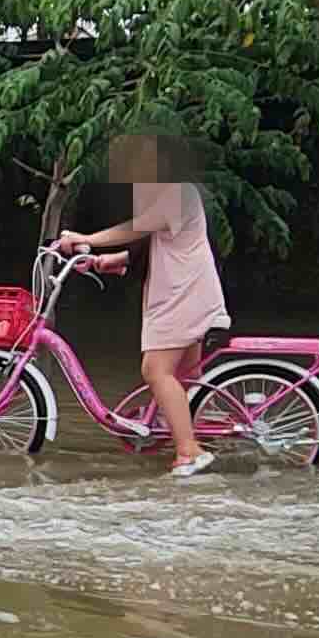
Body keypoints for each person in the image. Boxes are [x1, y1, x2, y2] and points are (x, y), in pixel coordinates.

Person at [57, 133, 230, 477]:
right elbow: (152, 245)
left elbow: (137, 229)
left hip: (184, 298)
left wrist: (85, 239)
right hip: (184, 295)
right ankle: (184, 434)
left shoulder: (178, 193)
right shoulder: (166, 195)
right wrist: (103, 261)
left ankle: (189, 451)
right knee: (184, 377)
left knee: (156, 371)